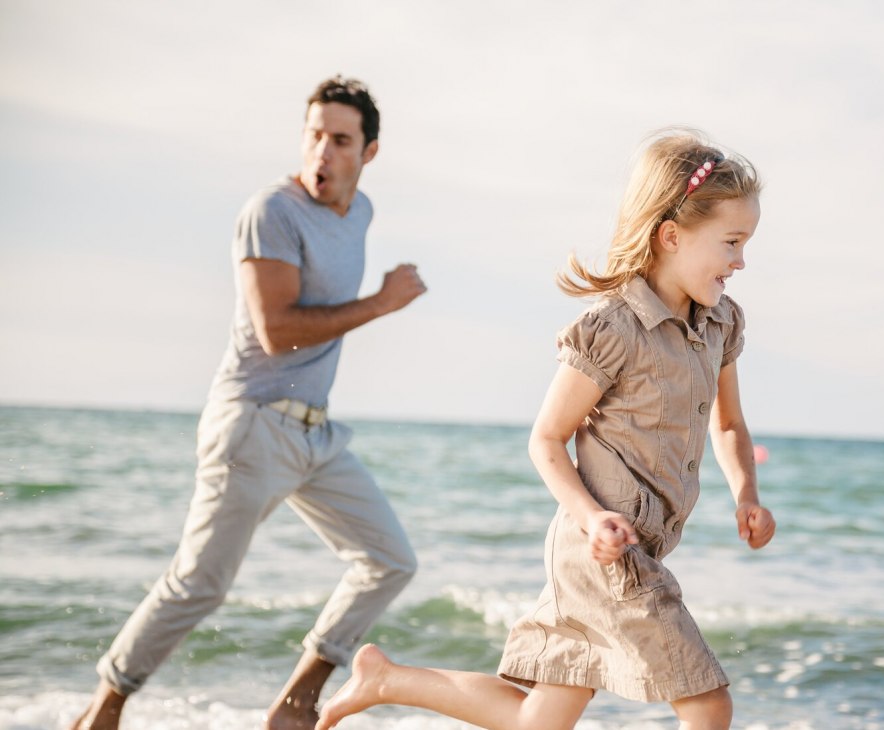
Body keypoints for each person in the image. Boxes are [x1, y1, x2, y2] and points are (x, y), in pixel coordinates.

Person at [314, 129, 776, 730]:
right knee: (709, 705)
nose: (741, 261)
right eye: (732, 243)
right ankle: (384, 679)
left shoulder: (719, 324)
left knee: (538, 720)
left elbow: (731, 422)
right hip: (603, 553)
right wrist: (591, 518)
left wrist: (747, 494)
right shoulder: (613, 329)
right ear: (671, 236)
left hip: (637, 547)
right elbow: (546, 439)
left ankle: (386, 679)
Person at [71, 76, 427, 730]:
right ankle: (103, 710)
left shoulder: (362, 210)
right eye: (314, 134)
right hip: (253, 426)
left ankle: (298, 699)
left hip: (315, 437)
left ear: (367, 152)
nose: (323, 151)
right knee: (199, 583)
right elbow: (278, 329)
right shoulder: (272, 212)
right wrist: (381, 302)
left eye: (341, 140)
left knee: (390, 560)